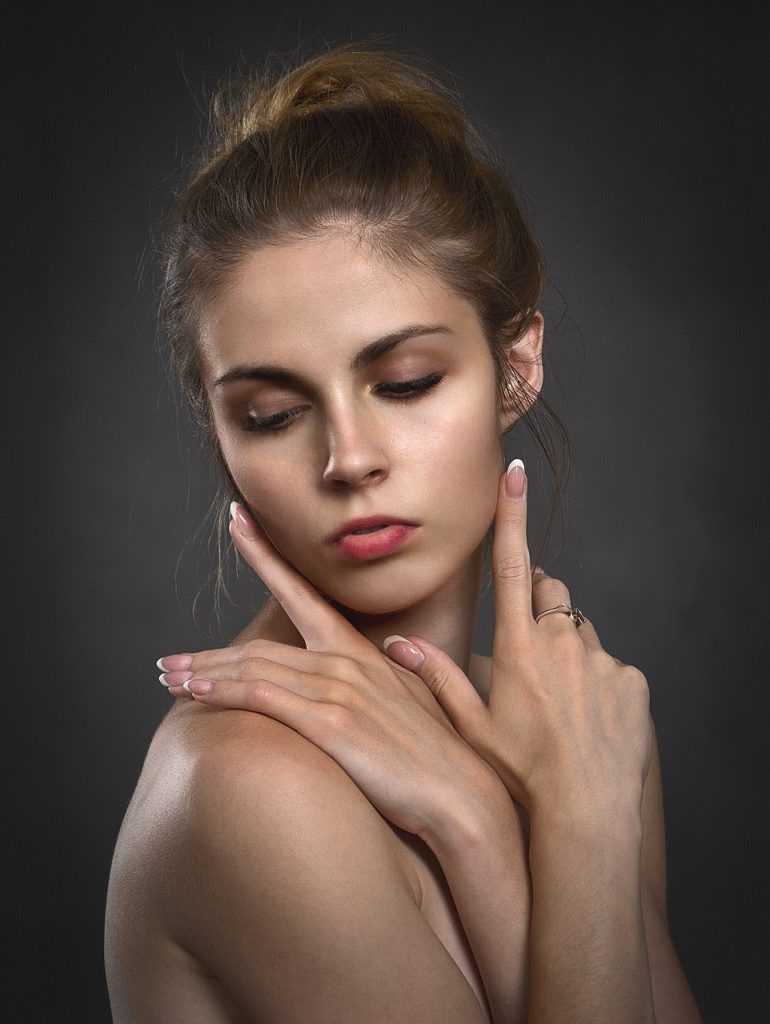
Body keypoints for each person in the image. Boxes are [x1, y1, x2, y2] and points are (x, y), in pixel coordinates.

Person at [104, 42, 703, 1023]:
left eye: (405, 382)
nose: (348, 457)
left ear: (515, 367)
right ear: (216, 428)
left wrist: (517, 823)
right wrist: (505, 825)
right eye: (270, 414)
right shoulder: (247, 787)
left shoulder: (578, 733)